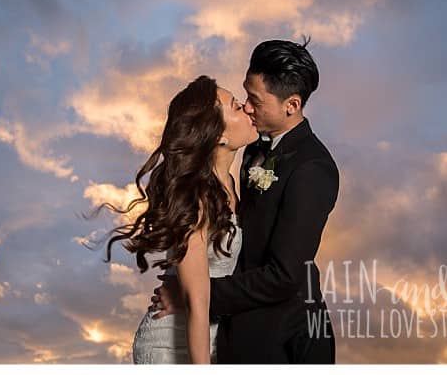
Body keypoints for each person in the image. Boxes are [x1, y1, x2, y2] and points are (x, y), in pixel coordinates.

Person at [150, 38, 340, 363]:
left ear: (291, 105)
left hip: (284, 337)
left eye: (254, 100)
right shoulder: (252, 149)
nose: (248, 108)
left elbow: (283, 276)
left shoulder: (313, 168)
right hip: (234, 330)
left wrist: (193, 295)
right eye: (243, 97)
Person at [93, 75, 258, 363]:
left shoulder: (232, 183)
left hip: (214, 335)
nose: (246, 108)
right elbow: (197, 301)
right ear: (218, 134)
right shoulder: (195, 196)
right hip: (171, 344)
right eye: (235, 106)